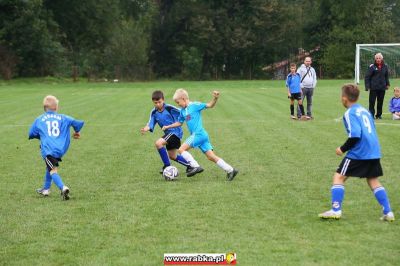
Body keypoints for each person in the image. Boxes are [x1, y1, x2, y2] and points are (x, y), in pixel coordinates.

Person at [319, 84, 394, 221]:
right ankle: (388, 212)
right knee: (373, 180)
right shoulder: (365, 111)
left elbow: (355, 135)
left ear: (344, 99)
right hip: (374, 150)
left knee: (339, 177)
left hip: (360, 152)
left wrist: (342, 149)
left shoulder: (349, 113)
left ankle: (336, 210)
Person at [162, 89, 239, 181]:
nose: (178, 104)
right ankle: (231, 170)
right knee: (211, 157)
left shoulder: (195, 105)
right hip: (201, 136)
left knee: (181, 149)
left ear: (183, 98)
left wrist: (215, 98)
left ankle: (195, 166)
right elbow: (179, 122)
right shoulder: (183, 111)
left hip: (198, 134)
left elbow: (210, 105)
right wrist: (168, 127)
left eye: (178, 102)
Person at [28, 95, 84, 200]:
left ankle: (63, 187)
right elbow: (77, 123)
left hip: (48, 149)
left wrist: (41, 136)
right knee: (49, 166)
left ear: (44, 108)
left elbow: (31, 133)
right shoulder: (64, 117)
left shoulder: (39, 119)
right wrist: (77, 132)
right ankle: (46, 189)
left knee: (53, 170)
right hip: (60, 149)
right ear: (56, 107)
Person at [140, 90, 195, 176]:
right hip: (169, 135)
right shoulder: (154, 112)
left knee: (158, 143)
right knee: (172, 156)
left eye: (159, 102)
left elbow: (182, 112)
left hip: (175, 133)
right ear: (153, 102)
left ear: (163, 100)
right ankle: (190, 166)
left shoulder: (169, 108)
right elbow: (150, 123)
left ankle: (167, 166)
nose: (158, 104)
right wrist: (146, 128)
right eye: (155, 103)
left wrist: (189, 117)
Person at [365, 52, 390, 119]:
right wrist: (367, 86)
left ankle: (379, 115)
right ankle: (371, 115)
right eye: (377, 58)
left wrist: (387, 84)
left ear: (382, 59)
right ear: (375, 59)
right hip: (373, 88)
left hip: (382, 87)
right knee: (372, 102)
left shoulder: (385, 66)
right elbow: (367, 77)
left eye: (379, 58)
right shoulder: (372, 66)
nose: (378, 59)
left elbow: (386, 76)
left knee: (380, 102)